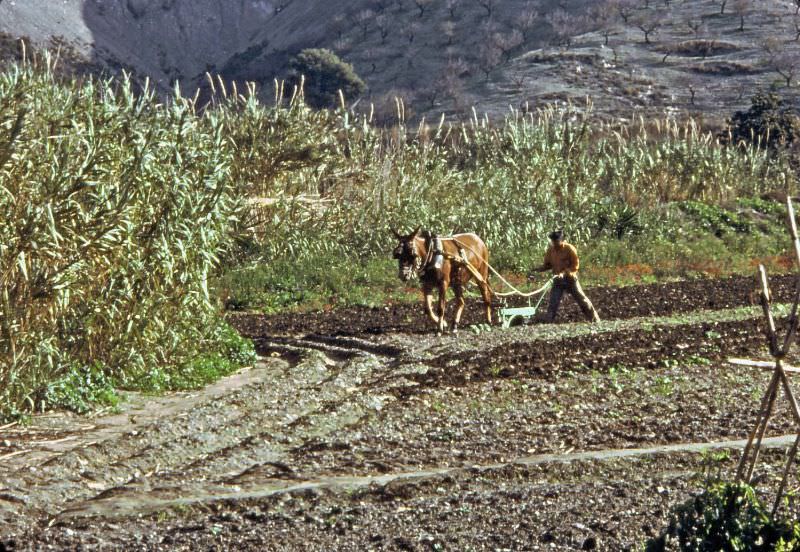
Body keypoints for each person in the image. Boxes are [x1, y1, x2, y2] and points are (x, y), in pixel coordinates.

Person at [529, 229, 600, 323]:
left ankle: (594, 319)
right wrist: (538, 269)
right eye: (553, 242)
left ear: (561, 240)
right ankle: (548, 322)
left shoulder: (569, 249)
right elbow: (548, 265)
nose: (555, 244)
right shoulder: (551, 250)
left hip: (570, 279)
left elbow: (575, 266)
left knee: (582, 299)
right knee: (553, 302)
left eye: (556, 241)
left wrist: (564, 273)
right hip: (558, 280)